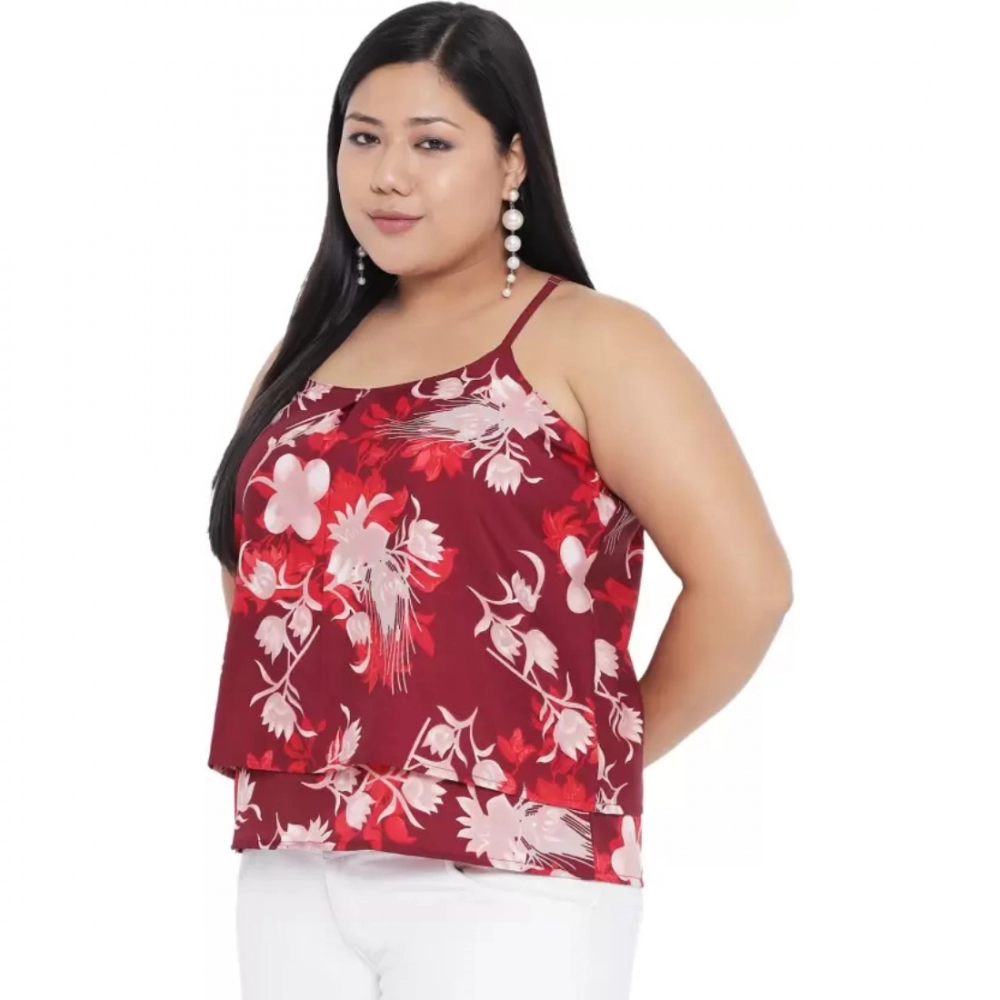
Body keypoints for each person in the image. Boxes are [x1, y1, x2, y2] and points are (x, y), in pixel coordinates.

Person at [205, 4, 793, 998]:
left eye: (432, 143)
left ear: (512, 161)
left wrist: (599, 754)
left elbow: (749, 587)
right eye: (363, 138)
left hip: (512, 873)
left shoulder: (593, 340)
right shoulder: (304, 359)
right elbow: (257, 576)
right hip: (292, 862)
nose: (388, 174)